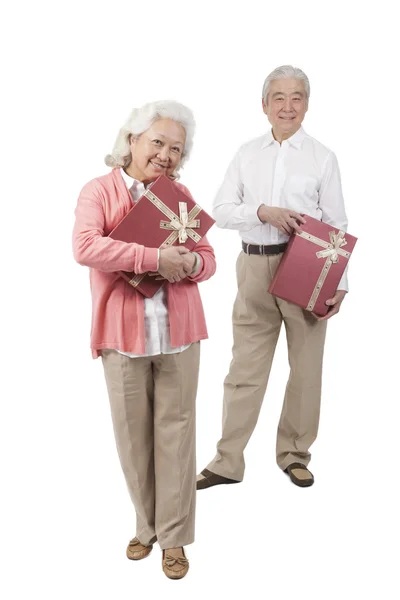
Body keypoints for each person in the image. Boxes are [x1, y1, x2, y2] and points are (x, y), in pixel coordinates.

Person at [73, 100, 216, 579]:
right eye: (158, 142)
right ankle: (147, 525)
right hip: (122, 338)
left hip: (180, 335)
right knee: (134, 440)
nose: (166, 155)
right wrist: (155, 258)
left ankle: (174, 539)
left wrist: (191, 263)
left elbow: (207, 258)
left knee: (177, 438)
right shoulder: (99, 190)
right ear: (132, 139)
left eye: (176, 148)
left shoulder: (179, 195)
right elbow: (86, 246)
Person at [197, 65, 348, 490]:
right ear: (264, 106)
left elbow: (336, 223)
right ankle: (227, 460)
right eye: (278, 97)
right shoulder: (247, 153)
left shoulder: (322, 157)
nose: (288, 106)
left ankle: (294, 454)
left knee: (305, 368)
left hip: (307, 266)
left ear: (307, 105)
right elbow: (221, 211)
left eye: (296, 97)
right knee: (244, 368)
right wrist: (262, 211)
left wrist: (340, 282)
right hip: (253, 265)